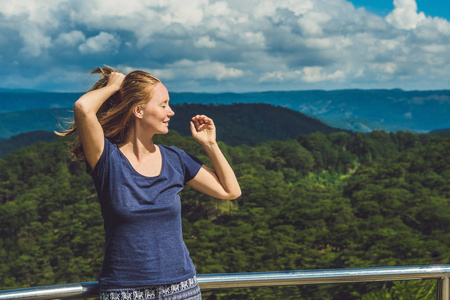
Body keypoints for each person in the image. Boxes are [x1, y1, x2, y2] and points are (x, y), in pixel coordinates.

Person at [63, 66, 241, 300]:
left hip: (182, 289)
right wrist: (114, 86)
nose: (172, 112)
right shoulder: (107, 160)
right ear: (138, 110)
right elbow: (84, 108)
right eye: (164, 104)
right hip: (124, 292)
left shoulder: (176, 159)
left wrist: (210, 145)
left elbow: (230, 191)